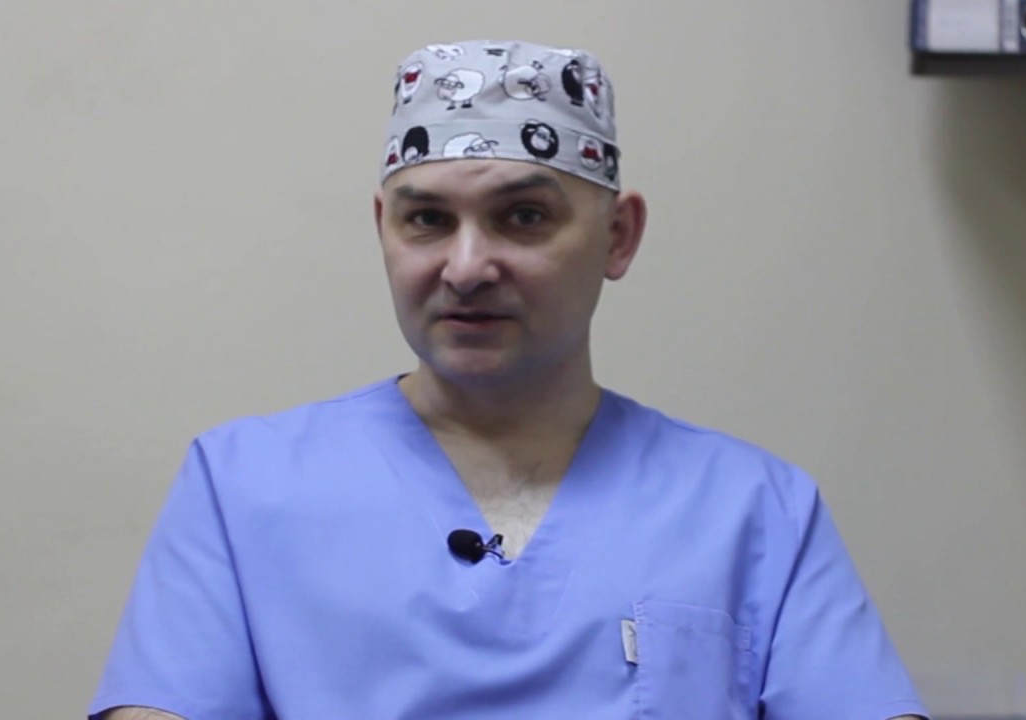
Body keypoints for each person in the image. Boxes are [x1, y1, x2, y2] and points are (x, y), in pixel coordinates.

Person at [89, 39, 930, 720]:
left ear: (618, 236)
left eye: (522, 217)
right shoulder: (241, 487)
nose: (466, 267)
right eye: (427, 220)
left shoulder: (755, 511)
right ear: (384, 231)